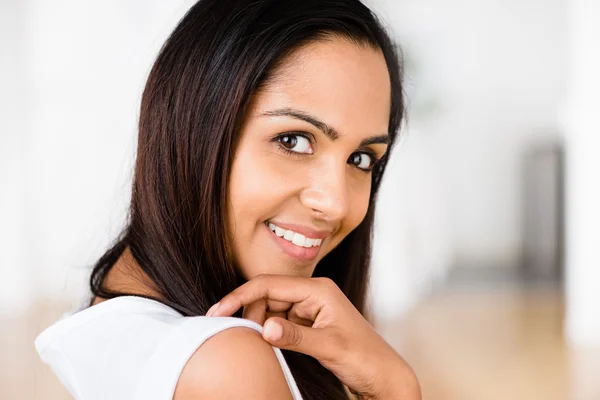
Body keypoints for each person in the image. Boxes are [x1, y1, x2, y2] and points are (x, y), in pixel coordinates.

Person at [35, 0, 421, 399]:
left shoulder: (121, 300)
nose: (337, 204)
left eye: (361, 159)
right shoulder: (228, 367)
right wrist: (397, 388)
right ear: (196, 126)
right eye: (293, 140)